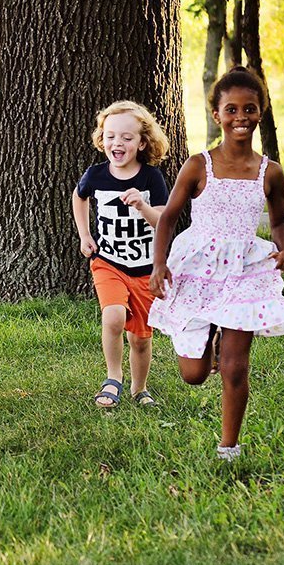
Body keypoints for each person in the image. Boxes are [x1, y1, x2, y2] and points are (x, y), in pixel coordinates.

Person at [148, 67, 284, 461]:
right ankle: (211, 336)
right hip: (198, 267)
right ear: (217, 114)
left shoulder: (270, 172)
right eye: (232, 109)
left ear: (260, 113)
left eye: (250, 109)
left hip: (245, 270)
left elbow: (279, 222)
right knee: (194, 374)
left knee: (235, 367)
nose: (241, 116)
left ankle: (229, 447)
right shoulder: (198, 165)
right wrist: (159, 265)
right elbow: (168, 217)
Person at [72, 101, 170, 408]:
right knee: (112, 315)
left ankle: (139, 389)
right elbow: (79, 196)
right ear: (102, 139)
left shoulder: (151, 178)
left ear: (142, 143)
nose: (118, 143)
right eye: (110, 136)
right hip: (108, 262)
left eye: (127, 138)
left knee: (140, 338)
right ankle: (113, 377)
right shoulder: (96, 174)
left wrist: (142, 205)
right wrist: (85, 235)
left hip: (145, 268)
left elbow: (163, 221)